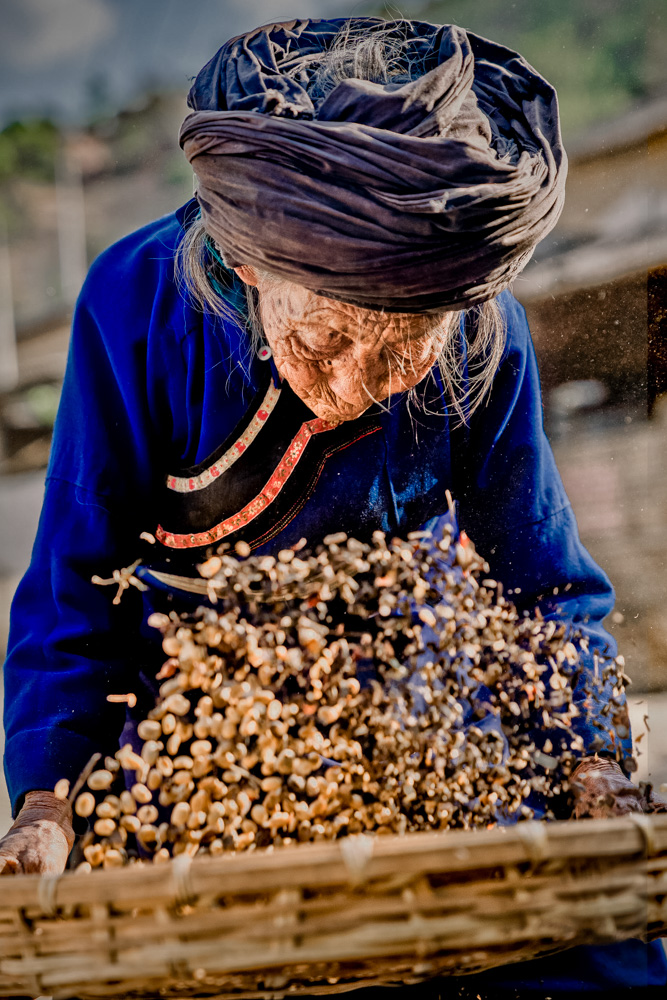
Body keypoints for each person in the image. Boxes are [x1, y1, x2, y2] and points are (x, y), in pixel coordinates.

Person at [1, 16, 665, 995]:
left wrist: (591, 763)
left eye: (402, 354)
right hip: (197, 718)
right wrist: (48, 801)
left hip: (423, 706)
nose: (351, 387)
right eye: (318, 346)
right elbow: (74, 587)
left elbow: (546, 593)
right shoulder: (136, 306)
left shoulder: (486, 338)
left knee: (593, 960)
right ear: (250, 268)